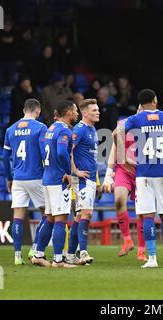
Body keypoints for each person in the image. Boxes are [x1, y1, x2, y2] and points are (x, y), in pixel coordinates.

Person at [115, 89, 163, 268]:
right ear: (155, 100)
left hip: (144, 176)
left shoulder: (135, 119)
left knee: (148, 216)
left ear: (141, 104)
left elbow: (116, 132)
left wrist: (123, 156)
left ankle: (152, 259)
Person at [31, 101, 79, 268]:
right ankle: (58, 259)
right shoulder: (64, 131)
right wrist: (67, 173)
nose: (77, 114)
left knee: (50, 218)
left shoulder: (49, 129)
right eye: (75, 111)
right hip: (58, 180)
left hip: (47, 178)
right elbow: (61, 152)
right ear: (69, 113)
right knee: (61, 219)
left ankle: (38, 254)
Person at [2, 99, 47, 265]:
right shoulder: (40, 128)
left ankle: (17, 256)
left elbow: (5, 157)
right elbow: (44, 153)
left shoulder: (11, 129)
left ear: (23, 110)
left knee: (18, 217)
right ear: (38, 111)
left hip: (18, 179)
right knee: (47, 214)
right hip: (36, 176)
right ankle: (35, 248)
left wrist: (8, 178)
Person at [102, 105, 147, 261]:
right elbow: (114, 146)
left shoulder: (152, 126)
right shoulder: (125, 123)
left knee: (142, 211)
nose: (142, 111)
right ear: (138, 109)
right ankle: (127, 240)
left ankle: (142, 250)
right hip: (124, 170)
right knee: (119, 201)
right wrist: (108, 173)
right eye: (140, 108)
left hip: (143, 172)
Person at [66, 99, 100, 265]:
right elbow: (68, 149)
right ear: (85, 113)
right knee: (86, 214)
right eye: (94, 110)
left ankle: (70, 254)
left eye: (97, 110)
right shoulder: (79, 129)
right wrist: (75, 171)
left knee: (80, 216)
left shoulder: (93, 129)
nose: (97, 112)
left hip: (91, 178)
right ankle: (84, 252)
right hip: (82, 180)